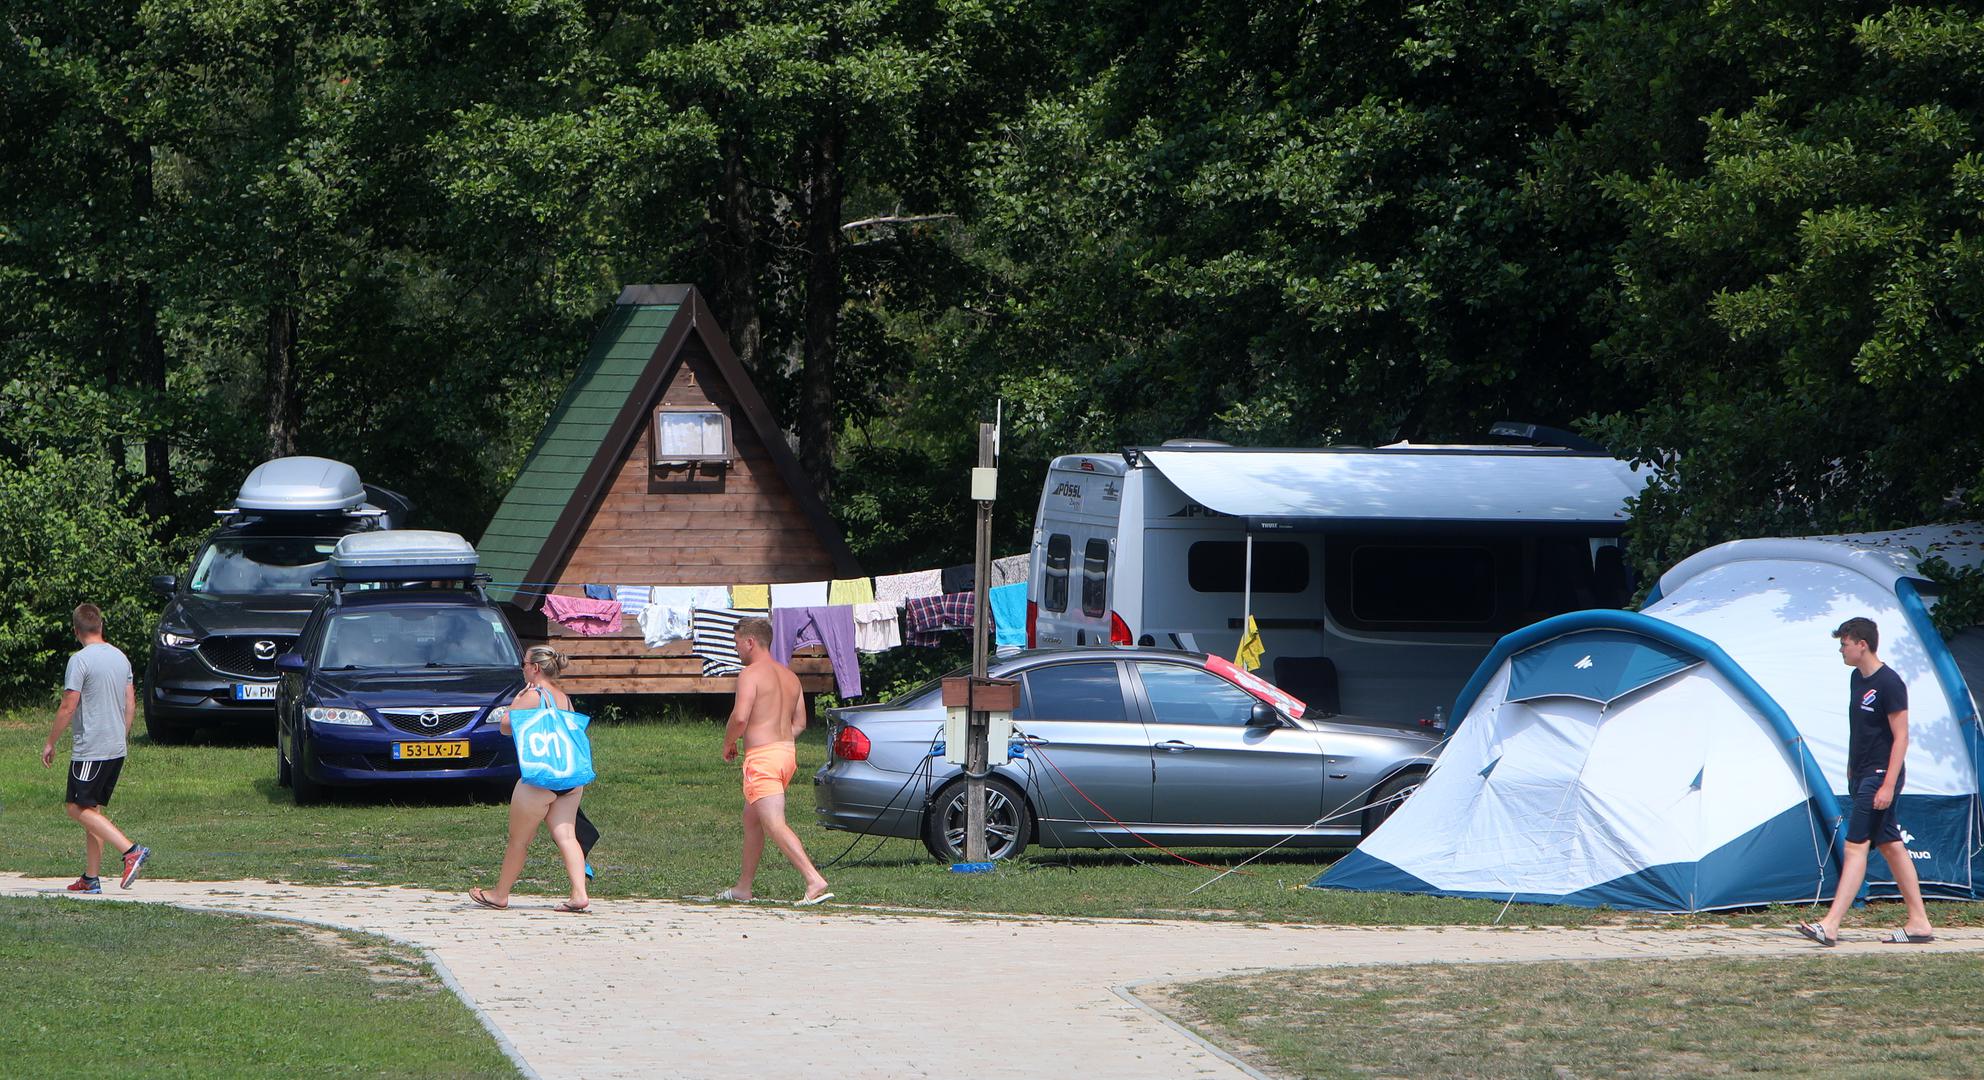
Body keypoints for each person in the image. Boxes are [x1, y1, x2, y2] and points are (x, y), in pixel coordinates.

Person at [1798, 617, 1936, 946]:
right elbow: (1859, 729)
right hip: (1861, 774)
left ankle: (1830, 925)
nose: (1841, 650)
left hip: (1880, 775)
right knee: (1890, 845)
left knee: (1854, 846)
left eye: (1844, 644)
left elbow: (1901, 737)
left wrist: (1888, 784)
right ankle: (1920, 922)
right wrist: (1850, 767)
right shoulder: (1855, 679)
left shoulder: (1890, 683)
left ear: (1862, 644)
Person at [717, 616, 831, 905]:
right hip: (785, 754)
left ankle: (813, 879)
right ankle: (744, 886)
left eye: (737, 643)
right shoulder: (790, 677)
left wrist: (730, 742)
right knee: (751, 818)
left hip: (764, 758)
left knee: (774, 823)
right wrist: (777, 740)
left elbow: (740, 716)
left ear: (750, 642)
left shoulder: (750, 675)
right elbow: (801, 722)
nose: (736, 649)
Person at [470, 645, 591, 913]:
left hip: (540, 778)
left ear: (535, 668)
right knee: (568, 836)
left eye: (524, 664)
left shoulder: (533, 695)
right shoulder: (564, 697)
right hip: (569, 778)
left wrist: (514, 703)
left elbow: (505, 727)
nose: (522, 668)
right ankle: (579, 893)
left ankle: (500, 894)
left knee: (519, 840)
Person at [40, 603, 148, 893]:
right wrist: (121, 737)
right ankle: (90, 878)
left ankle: (130, 850)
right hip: (115, 746)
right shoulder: (121, 658)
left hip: (92, 748)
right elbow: (130, 703)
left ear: (76, 631)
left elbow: (68, 704)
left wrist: (51, 742)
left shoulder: (80, 660)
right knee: (92, 811)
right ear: (100, 626)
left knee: (76, 808)